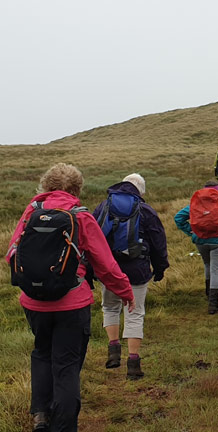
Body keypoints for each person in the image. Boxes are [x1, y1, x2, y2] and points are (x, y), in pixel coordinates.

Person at [5, 163, 135, 432]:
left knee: (41, 353)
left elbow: (12, 253)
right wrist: (125, 291)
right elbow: (105, 264)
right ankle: (63, 427)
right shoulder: (80, 216)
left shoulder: (32, 212)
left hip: (34, 303)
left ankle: (40, 415)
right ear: (77, 189)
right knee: (66, 364)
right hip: (72, 303)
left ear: (46, 186)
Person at [93, 173, 169, 380]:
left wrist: (93, 269)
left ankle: (113, 352)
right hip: (137, 270)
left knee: (109, 307)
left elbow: (91, 238)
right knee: (135, 313)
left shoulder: (103, 207)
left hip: (109, 270)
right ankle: (133, 363)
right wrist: (160, 267)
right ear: (140, 191)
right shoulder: (145, 210)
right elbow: (158, 241)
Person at [174, 180, 218, 314]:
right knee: (216, 270)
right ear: (217, 190)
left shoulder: (196, 202)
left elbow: (178, 218)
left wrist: (191, 230)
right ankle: (213, 305)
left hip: (200, 240)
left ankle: (208, 294)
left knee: (207, 265)